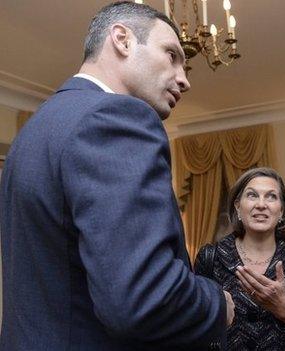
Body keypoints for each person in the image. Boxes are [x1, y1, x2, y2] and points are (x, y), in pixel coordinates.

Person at [0, 2, 234, 350]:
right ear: (122, 39)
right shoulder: (115, 117)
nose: (185, 79)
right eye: (172, 55)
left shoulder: (35, 130)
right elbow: (144, 299)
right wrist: (217, 304)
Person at [195, 167, 285, 350]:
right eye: (252, 195)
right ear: (238, 206)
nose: (261, 204)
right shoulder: (211, 257)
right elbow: (193, 325)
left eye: (271, 196)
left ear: (282, 211)